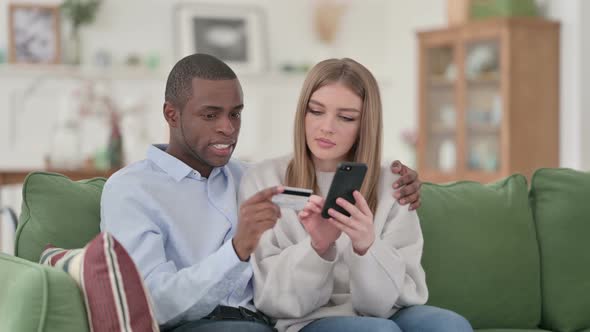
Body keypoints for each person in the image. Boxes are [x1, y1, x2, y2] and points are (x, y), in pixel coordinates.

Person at [100, 53, 423, 332]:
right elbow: (152, 303)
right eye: (210, 115)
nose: (228, 128)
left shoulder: (249, 175)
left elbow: (317, 180)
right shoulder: (132, 189)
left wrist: (402, 180)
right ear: (172, 114)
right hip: (197, 325)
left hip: (263, 320)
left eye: (235, 114)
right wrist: (237, 250)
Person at [238, 58, 473, 332]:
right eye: (315, 111)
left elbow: (386, 303)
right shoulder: (264, 179)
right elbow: (274, 300)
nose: (327, 127)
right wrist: (318, 247)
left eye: (346, 117)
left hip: (389, 311)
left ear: (366, 125)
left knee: (451, 326)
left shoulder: (394, 184)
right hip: (310, 317)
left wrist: (367, 246)